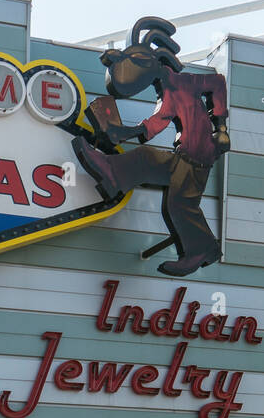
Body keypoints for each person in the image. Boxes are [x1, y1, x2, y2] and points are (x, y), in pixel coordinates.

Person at [71, 16, 230, 277]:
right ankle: (110, 172)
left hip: (197, 158)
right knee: (146, 159)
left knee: (179, 205)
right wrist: (124, 132)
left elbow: (217, 83)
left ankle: (202, 250)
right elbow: (156, 124)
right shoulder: (168, 91)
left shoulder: (186, 83)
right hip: (183, 158)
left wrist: (220, 128)